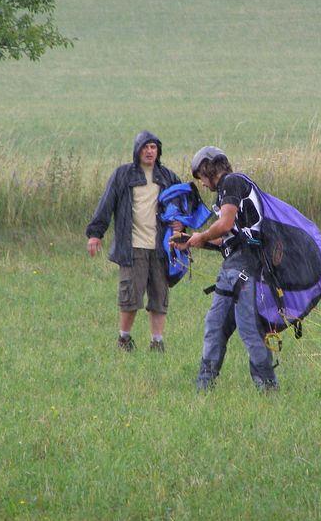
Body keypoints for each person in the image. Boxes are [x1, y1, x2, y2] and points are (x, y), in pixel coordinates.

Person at [178, 146, 279, 391]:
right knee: (215, 324)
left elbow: (224, 225)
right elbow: (227, 238)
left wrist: (202, 234)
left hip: (247, 265)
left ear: (208, 169)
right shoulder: (226, 191)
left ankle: (267, 384)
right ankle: (205, 382)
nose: (201, 184)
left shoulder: (231, 182)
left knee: (248, 327)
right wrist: (191, 240)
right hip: (233, 265)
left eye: (200, 177)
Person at [86, 131, 182, 352]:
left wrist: (181, 225)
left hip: (161, 248)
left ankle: (157, 342)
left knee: (160, 296)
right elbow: (106, 203)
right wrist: (95, 234)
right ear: (137, 150)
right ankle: (124, 339)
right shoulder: (122, 175)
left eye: (153, 147)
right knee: (130, 296)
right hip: (132, 247)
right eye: (145, 147)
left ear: (158, 151)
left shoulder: (168, 177)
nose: (149, 151)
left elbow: (184, 204)